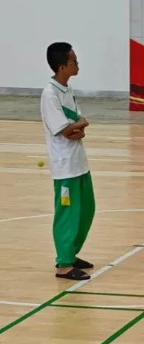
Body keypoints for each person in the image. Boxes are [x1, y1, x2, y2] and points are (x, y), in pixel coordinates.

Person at [41, 42, 95, 281]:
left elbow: (75, 127)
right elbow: (66, 130)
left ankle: (70, 253)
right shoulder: (50, 94)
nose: (77, 65)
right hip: (64, 166)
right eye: (74, 61)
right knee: (67, 214)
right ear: (62, 66)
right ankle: (63, 263)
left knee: (87, 209)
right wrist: (79, 125)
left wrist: (77, 126)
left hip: (79, 162)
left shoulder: (67, 89)